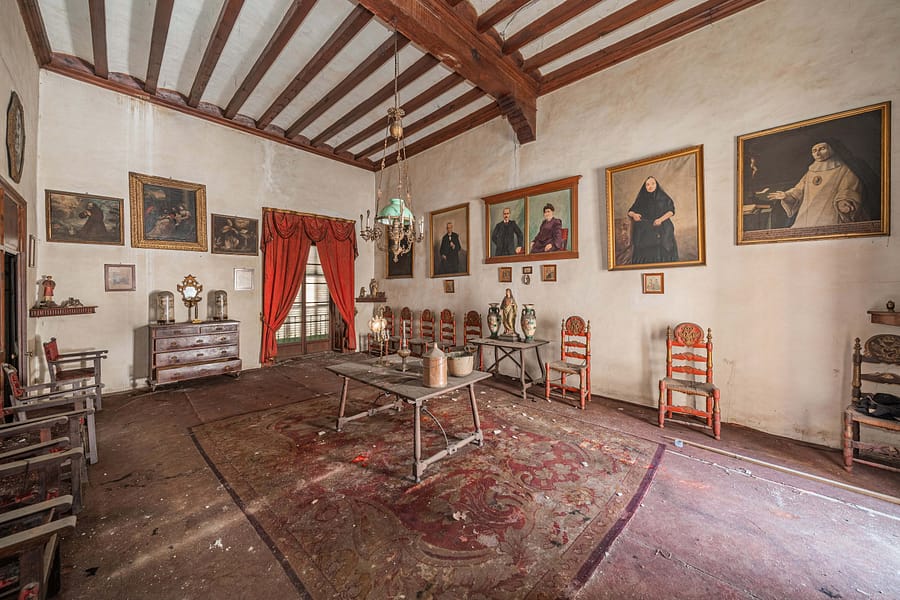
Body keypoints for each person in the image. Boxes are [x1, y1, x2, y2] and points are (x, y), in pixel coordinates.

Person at [766, 141, 866, 227]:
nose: (817, 153)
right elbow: (799, 190)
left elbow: (848, 189)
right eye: (814, 151)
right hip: (806, 217)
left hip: (829, 216)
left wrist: (844, 202)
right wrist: (787, 195)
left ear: (832, 149)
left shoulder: (844, 169)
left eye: (822, 149)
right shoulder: (810, 172)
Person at [627, 176, 678, 264]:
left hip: (661, 226)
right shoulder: (641, 199)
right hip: (646, 229)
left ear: (656, 185)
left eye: (652, 184)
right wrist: (634, 215)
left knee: (663, 248)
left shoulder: (664, 197)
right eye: (647, 185)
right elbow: (630, 211)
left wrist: (660, 220)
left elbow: (671, 211)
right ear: (645, 187)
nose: (650, 186)